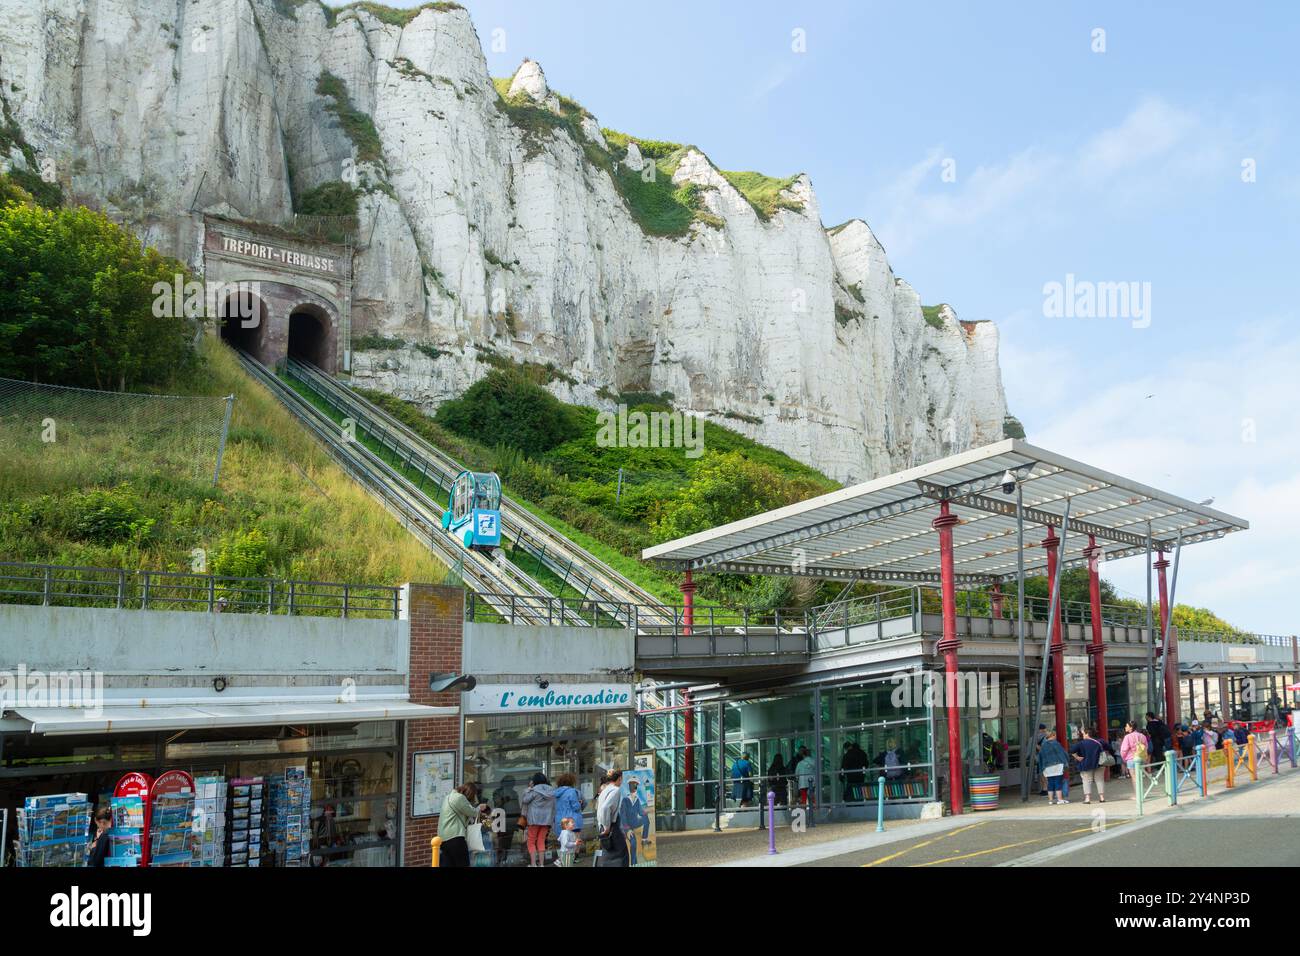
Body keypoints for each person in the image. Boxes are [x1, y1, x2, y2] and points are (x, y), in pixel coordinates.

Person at [438, 783, 489, 868]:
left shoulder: (448, 797)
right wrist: (480, 807)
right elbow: (473, 812)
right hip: (455, 837)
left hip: (443, 839)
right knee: (463, 864)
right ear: (470, 793)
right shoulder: (459, 798)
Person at [520, 772, 557, 867]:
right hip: (547, 820)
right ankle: (541, 864)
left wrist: (527, 790)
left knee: (531, 841)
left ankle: (533, 864)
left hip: (534, 820)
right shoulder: (552, 791)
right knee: (541, 840)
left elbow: (525, 800)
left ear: (535, 781)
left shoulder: (534, 791)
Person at [596, 768, 628, 867]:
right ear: (620, 778)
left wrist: (602, 825)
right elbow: (606, 808)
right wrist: (606, 827)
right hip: (611, 826)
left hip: (603, 824)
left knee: (609, 853)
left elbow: (600, 807)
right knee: (621, 855)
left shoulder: (606, 789)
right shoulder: (615, 790)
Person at [1069, 727, 1110, 804]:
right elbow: (1109, 748)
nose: (1083, 735)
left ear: (1087, 734)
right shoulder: (1101, 741)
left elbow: (1072, 750)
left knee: (1087, 781)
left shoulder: (1081, 743)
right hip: (1100, 764)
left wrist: (1077, 757)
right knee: (1100, 780)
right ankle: (1102, 797)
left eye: (1084, 733)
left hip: (1086, 764)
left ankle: (1087, 799)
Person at [620, 778, 651, 865]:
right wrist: (628, 829)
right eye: (634, 786)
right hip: (626, 826)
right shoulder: (625, 800)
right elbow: (623, 816)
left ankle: (644, 839)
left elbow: (641, 812)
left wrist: (646, 811)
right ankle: (634, 864)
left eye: (636, 787)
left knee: (646, 818)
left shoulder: (637, 800)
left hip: (634, 822)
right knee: (633, 843)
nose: (635, 789)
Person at [551, 773, 585, 849]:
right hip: (572, 822)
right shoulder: (572, 791)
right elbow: (575, 807)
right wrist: (580, 803)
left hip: (560, 822)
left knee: (564, 843)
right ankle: (573, 859)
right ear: (572, 781)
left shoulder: (555, 793)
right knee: (575, 843)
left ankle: (564, 858)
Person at [1038, 730, 1070, 804]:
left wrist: (1042, 768)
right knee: (1058, 782)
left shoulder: (1043, 746)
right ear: (1052, 735)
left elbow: (1040, 757)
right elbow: (1063, 754)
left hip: (1047, 767)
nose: (1056, 737)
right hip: (1057, 766)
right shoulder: (1056, 744)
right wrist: (1066, 763)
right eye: (1055, 735)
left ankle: (1050, 800)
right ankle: (1060, 799)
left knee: (1050, 783)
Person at [1031, 724, 1049, 795]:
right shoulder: (1041, 737)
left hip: (1043, 758)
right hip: (1040, 758)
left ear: (1041, 730)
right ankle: (1044, 789)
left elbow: (1042, 749)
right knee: (1041, 774)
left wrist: (1035, 745)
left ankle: (1045, 789)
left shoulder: (1044, 738)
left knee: (1043, 774)